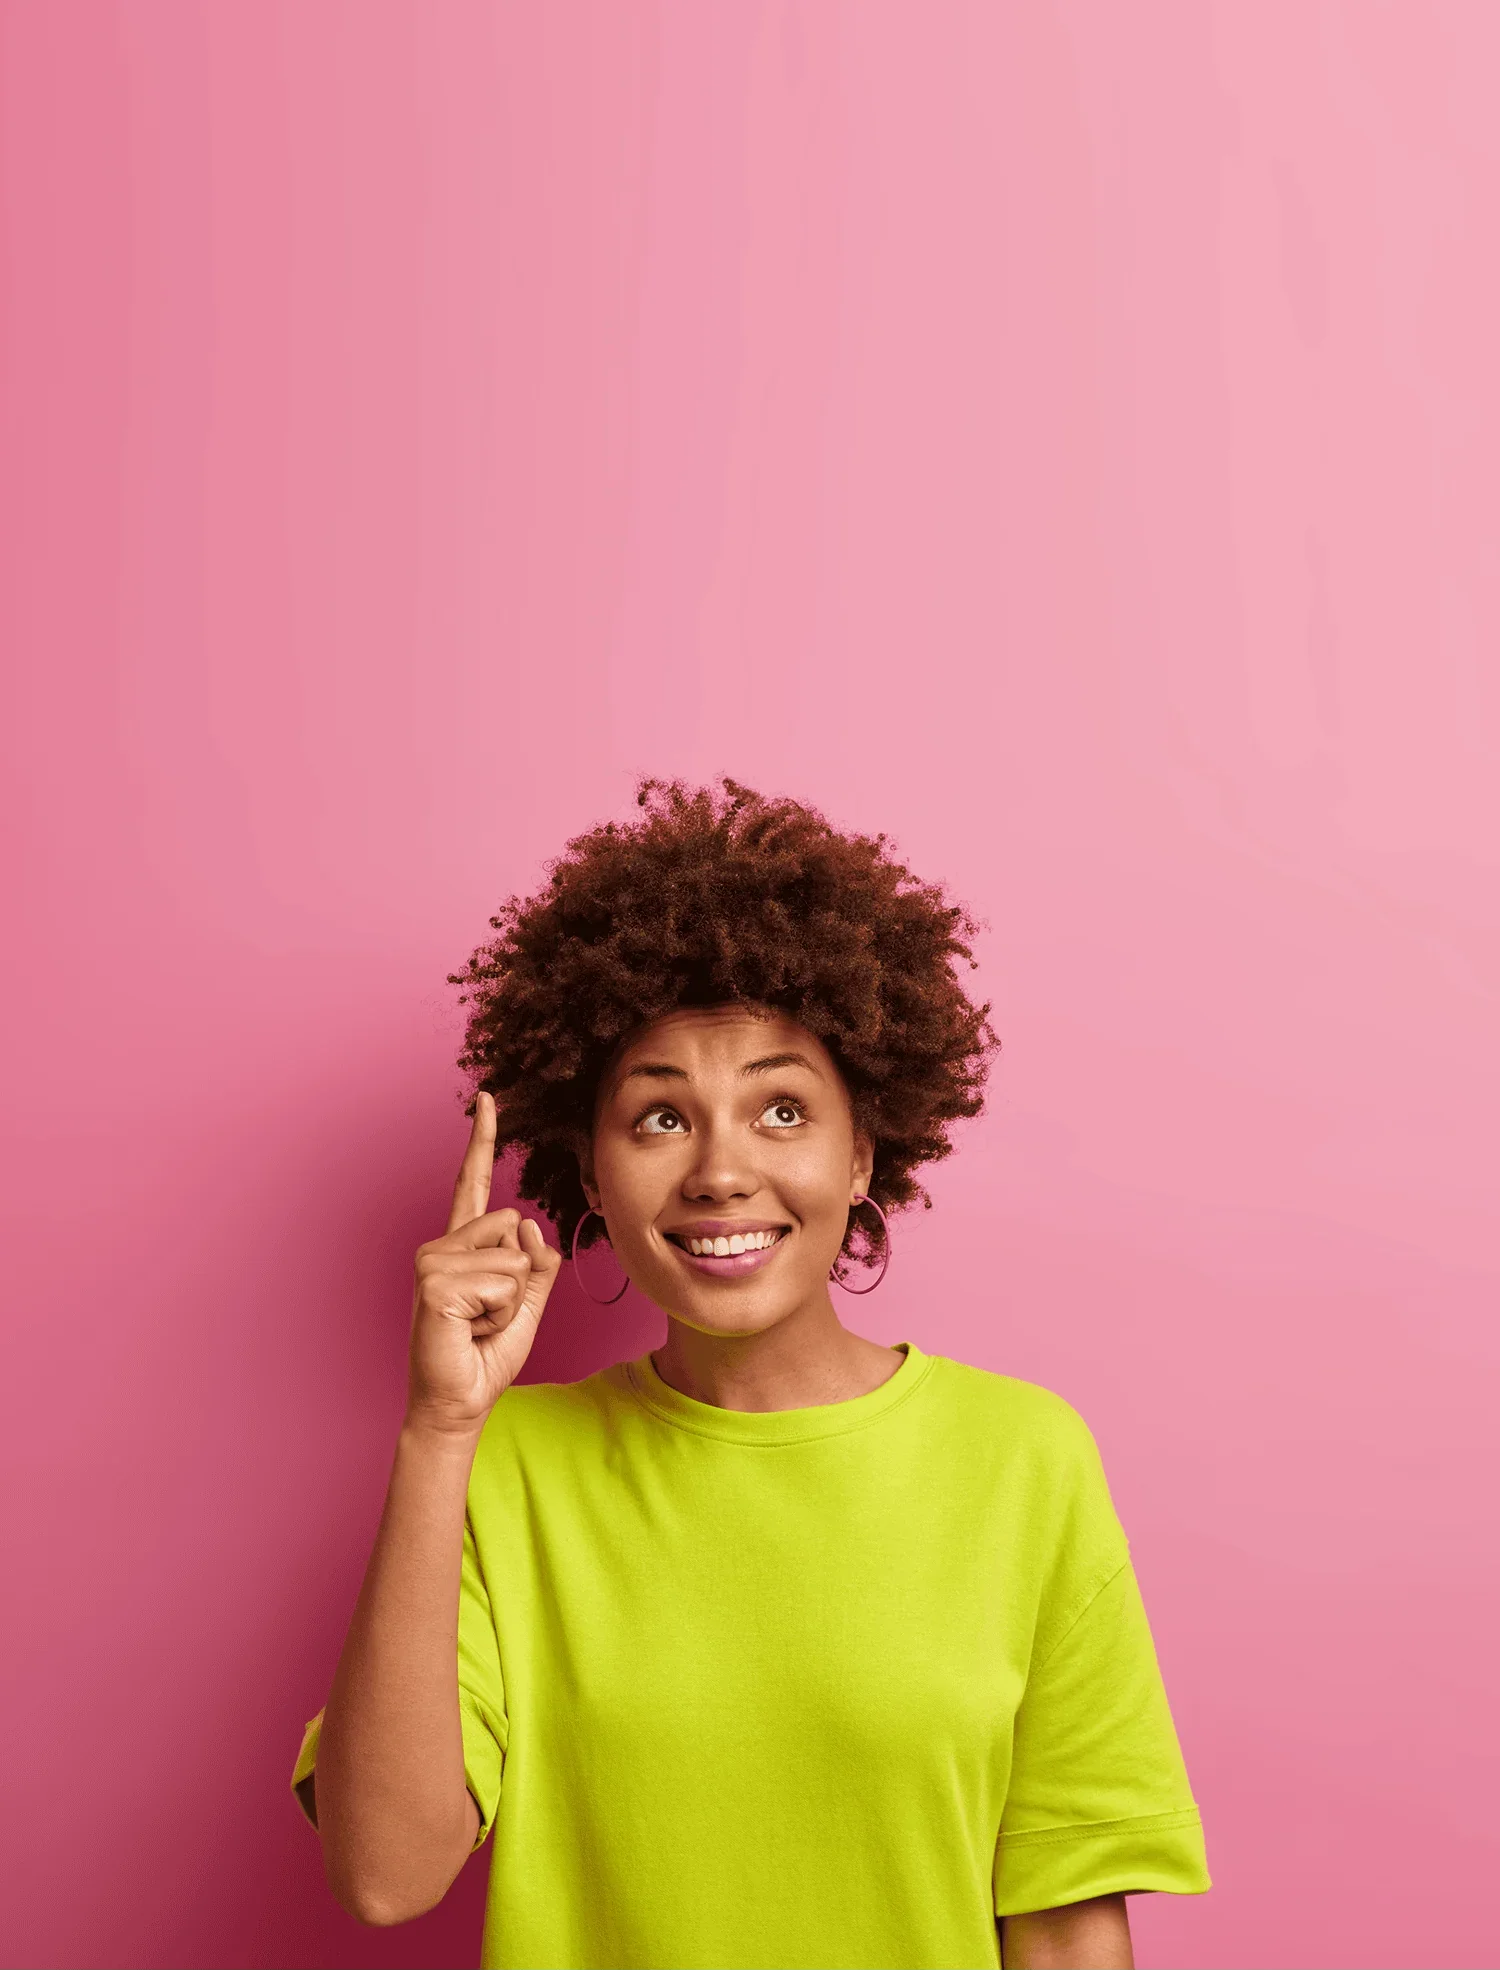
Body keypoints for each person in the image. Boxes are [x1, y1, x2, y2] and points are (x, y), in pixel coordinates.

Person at [290, 778, 1209, 1971]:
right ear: (592, 1174)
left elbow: (1067, 1923)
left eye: (781, 1109)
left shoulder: (1023, 1457)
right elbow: (383, 1875)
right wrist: (438, 1427)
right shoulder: (503, 1463)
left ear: (864, 1150)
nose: (722, 1172)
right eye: (661, 1119)